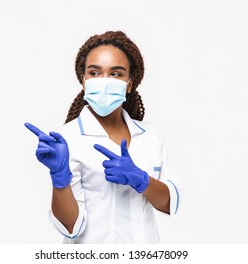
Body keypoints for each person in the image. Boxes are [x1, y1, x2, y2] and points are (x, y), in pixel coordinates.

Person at [25, 31, 181, 244]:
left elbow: (170, 203)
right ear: (84, 80)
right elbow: (71, 227)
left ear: (129, 83)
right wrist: (59, 177)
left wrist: (141, 180)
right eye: (95, 73)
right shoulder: (66, 139)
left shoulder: (149, 135)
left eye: (116, 74)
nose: (104, 81)